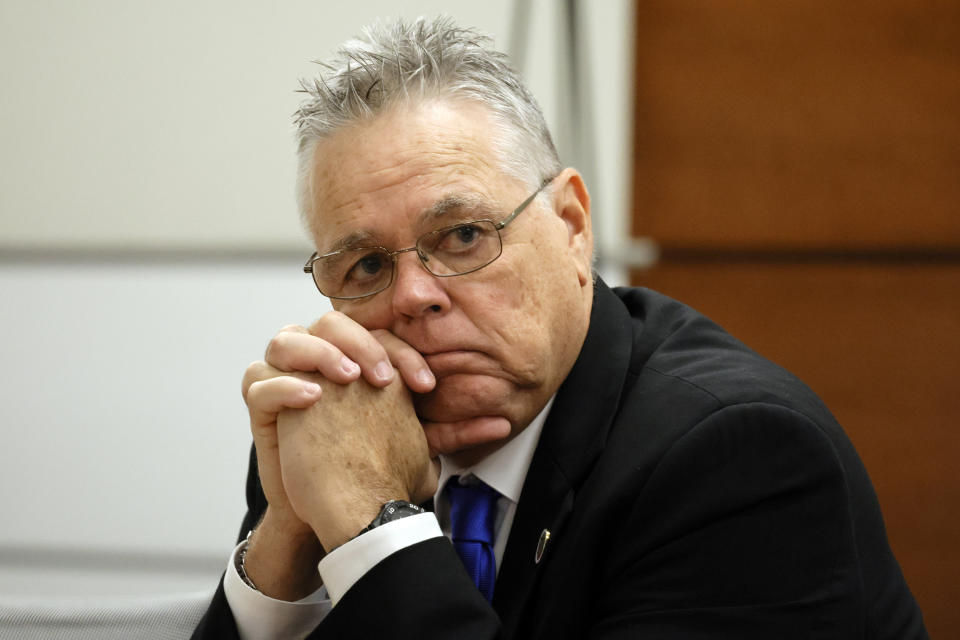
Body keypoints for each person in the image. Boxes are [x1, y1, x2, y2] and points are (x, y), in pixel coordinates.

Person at [193, 16, 927, 639]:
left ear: (572, 226)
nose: (413, 297)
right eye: (365, 268)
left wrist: (373, 525)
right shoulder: (341, 429)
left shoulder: (740, 457)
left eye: (462, 236)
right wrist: (285, 534)